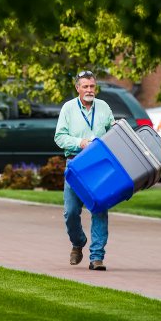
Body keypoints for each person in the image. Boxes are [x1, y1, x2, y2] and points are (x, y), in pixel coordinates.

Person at [54, 70, 115, 271]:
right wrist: (80, 143)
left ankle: (97, 257)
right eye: (85, 86)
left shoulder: (104, 107)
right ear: (77, 88)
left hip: (100, 167)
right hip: (75, 163)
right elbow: (59, 137)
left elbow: (113, 132)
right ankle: (78, 242)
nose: (89, 90)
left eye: (92, 86)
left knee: (99, 209)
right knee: (71, 212)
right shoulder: (68, 108)